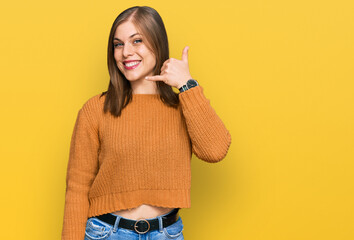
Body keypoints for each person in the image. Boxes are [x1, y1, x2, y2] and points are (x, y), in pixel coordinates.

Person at [61, 5, 232, 240]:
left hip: (166, 234)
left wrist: (187, 84)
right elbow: (78, 187)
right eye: (118, 44)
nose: (125, 52)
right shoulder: (96, 109)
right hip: (106, 234)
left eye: (137, 41)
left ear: (157, 43)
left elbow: (215, 150)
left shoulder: (184, 106)